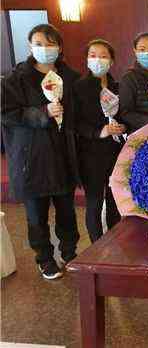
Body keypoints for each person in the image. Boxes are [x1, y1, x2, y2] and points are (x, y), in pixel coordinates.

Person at [1, 24, 80, 280]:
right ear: (30, 47)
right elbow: (7, 113)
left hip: (63, 155)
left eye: (50, 43)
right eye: (39, 44)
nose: (45, 49)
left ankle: (69, 253)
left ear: (59, 46)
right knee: (37, 215)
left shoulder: (70, 77)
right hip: (32, 157)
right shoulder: (15, 79)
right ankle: (44, 259)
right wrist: (42, 113)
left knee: (67, 212)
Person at [73, 39, 125, 243]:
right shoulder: (79, 87)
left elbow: (124, 115)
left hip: (115, 152)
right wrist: (98, 132)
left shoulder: (117, 87)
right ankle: (97, 246)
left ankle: (114, 240)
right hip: (90, 153)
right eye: (93, 55)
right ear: (87, 60)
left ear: (111, 61)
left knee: (114, 201)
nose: (98, 60)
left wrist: (122, 127)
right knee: (94, 203)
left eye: (103, 56)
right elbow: (75, 122)